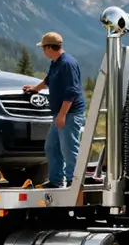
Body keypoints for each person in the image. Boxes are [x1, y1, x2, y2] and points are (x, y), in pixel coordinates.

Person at [23, 32, 86, 188]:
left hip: (69, 114)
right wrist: (35, 89)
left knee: (69, 149)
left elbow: (71, 92)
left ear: (50, 47)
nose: (43, 51)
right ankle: (56, 180)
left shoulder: (67, 64)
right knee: (52, 147)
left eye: (44, 48)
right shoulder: (56, 62)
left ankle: (74, 182)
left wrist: (62, 115)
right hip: (60, 114)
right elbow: (48, 80)